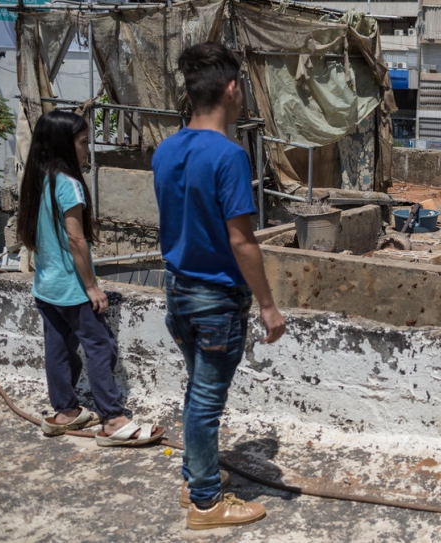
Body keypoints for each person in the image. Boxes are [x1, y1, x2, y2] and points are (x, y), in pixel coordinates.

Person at [153, 42, 286, 530]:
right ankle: (206, 502)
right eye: (243, 87)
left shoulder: (165, 151)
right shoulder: (229, 156)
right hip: (215, 299)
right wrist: (269, 306)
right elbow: (241, 240)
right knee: (207, 401)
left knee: (197, 392)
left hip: (178, 291)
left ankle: (195, 478)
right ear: (231, 89)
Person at [16, 110, 165, 446]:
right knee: (100, 347)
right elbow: (75, 239)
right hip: (72, 288)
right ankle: (113, 419)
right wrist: (92, 286)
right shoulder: (68, 185)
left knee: (58, 348)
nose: (87, 150)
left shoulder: (38, 179)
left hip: (46, 285)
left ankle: (65, 411)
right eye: (83, 143)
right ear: (64, 146)